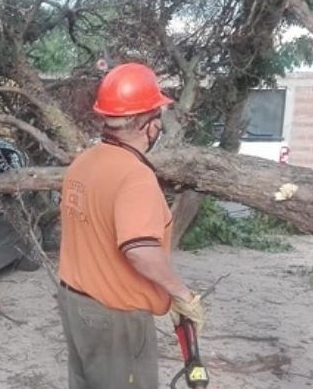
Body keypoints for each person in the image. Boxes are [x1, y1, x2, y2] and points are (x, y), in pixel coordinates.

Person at [57, 63, 206, 389]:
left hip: (75, 305)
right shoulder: (135, 176)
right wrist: (180, 293)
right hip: (115, 318)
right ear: (145, 123)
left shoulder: (83, 163)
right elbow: (139, 250)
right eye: (157, 116)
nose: (159, 125)